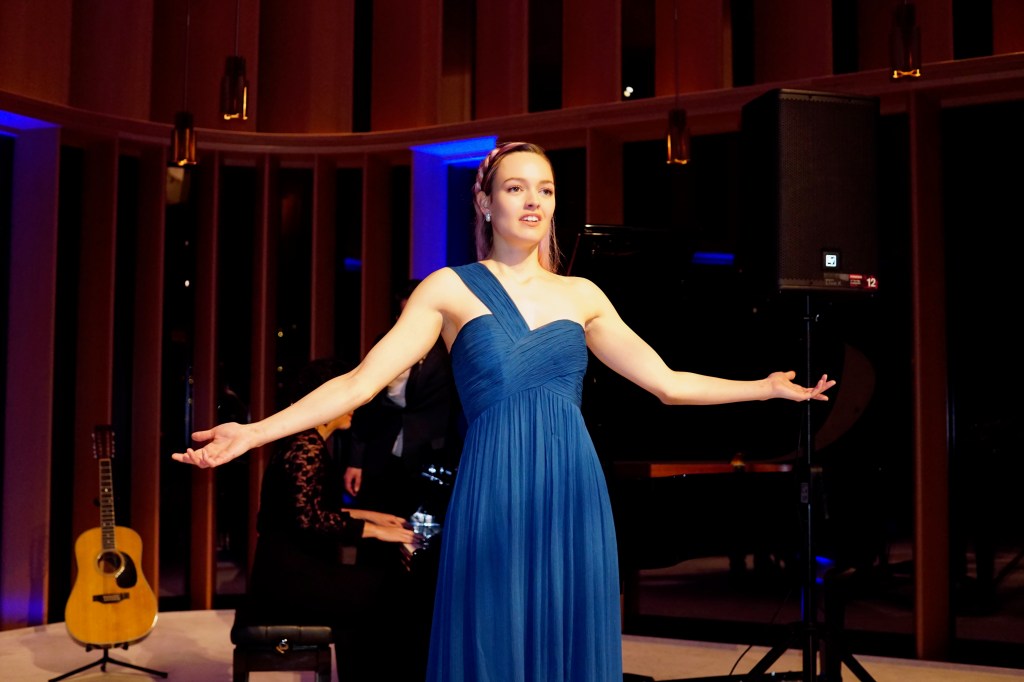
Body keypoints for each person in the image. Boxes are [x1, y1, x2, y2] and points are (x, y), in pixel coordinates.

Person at [174, 141, 836, 682]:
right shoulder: (449, 289)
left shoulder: (583, 294)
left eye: (545, 189)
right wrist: (254, 432)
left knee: (566, 638)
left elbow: (667, 383)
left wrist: (764, 387)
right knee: (493, 639)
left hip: (572, 489)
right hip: (493, 488)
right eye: (516, 187)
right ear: (486, 202)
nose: (533, 200)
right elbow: (359, 384)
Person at [242, 357, 421, 681]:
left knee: (379, 587)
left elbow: (315, 507)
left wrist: (375, 517)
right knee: (388, 592)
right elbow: (310, 520)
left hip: (291, 568)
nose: (356, 405)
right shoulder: (306, 447)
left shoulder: (307, 441)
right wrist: (376, 532)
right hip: (288, 578)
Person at [344, 279, 463, 564]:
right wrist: (355, 461)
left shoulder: (447, 350)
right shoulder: (384, 343)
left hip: (428, 457)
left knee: (419, 542)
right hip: (381, 452)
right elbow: (367, 405)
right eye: (402, 313)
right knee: (375, 541)